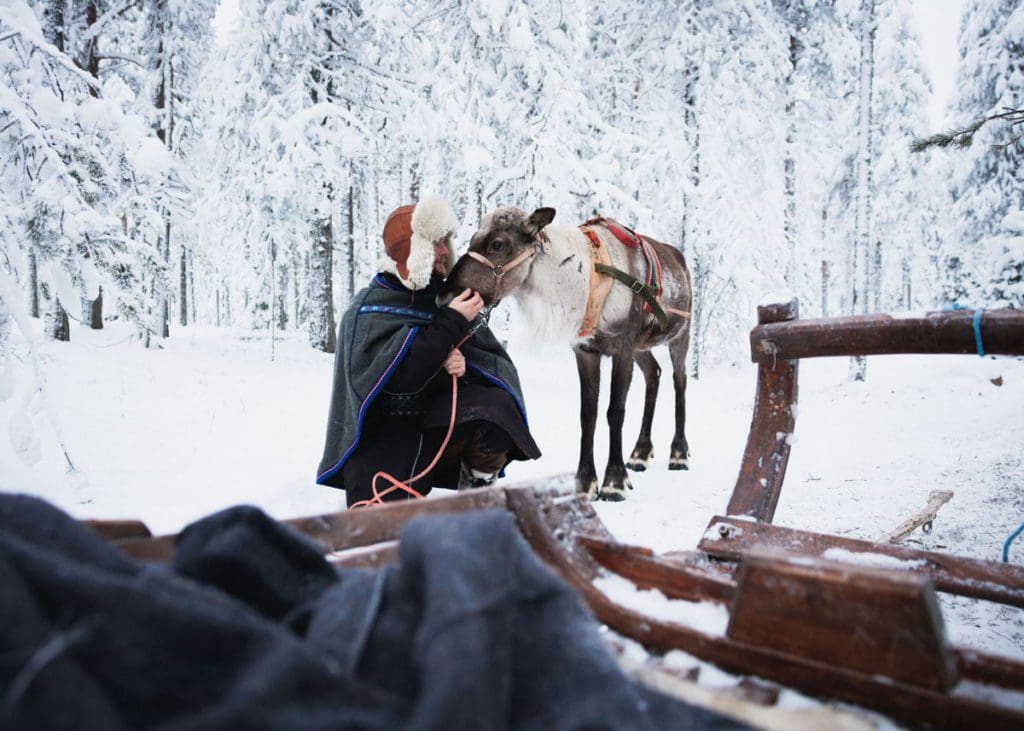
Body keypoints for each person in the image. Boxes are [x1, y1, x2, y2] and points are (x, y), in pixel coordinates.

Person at [316, 194, 541, 507]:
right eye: (434, 243)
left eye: (443, 241)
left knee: (497, 406)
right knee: (389, 522)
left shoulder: (439, 296)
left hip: (431, 430)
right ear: (412, 249)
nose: (443, 251)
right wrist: (451, 323)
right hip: (384, 444)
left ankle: (476, 491)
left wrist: (463, 366)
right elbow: (403, 380)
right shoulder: (367, 309)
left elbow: (470, 360)